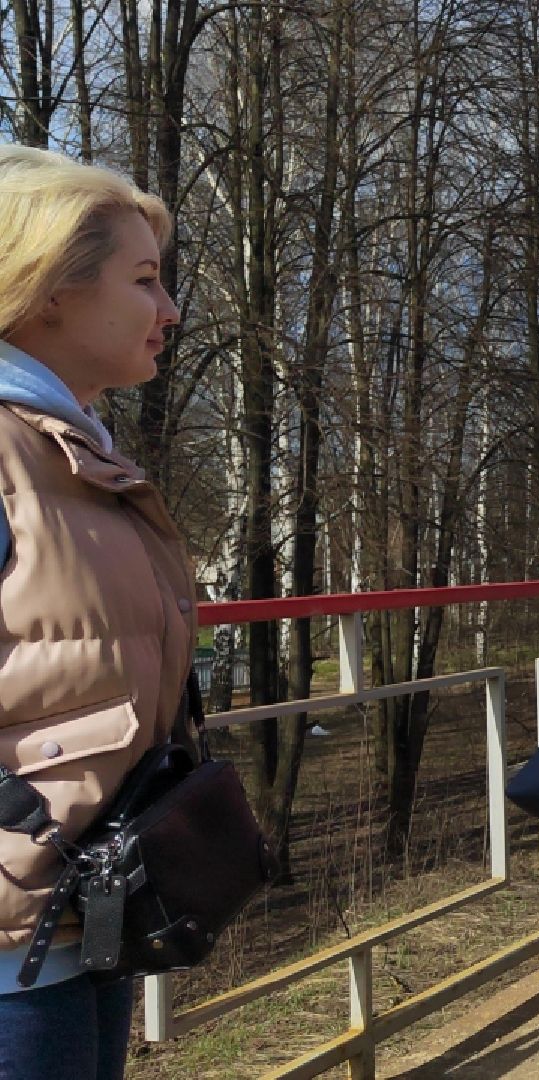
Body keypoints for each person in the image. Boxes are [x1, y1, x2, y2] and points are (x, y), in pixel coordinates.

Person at [0, 146, 193, 1079]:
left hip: (83, 913)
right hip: (14, 949)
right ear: (49, 291)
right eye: (146, 281)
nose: (170, 311)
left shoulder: (72, 450)